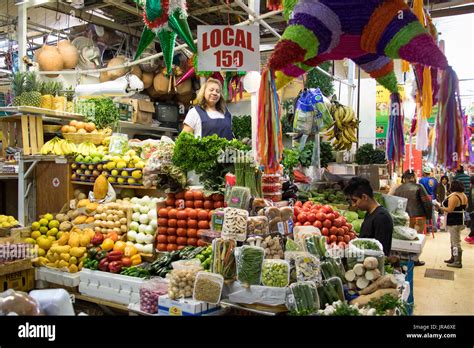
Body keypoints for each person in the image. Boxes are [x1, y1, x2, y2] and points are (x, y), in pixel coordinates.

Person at [343, 177, 393, 256]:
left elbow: (381, 252)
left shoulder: (382, 217)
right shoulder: (369, 213)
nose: (354, 205)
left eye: (355, 200)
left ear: (364, 197)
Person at [393, 170, 433, 266]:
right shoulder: (419, 187)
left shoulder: (398, 189)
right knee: (416, 238)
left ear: (404, 178)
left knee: (405, 238)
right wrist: (429, 216)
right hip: (418, 217)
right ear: (413, 177)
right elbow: (426, 202)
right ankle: (415, 260)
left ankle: (404, 259)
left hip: (403, 218)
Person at [437, 180, 467, 268]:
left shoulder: (454, 196)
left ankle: (457, 261)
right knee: (454, 240)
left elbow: (450, 209)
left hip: (454, 221)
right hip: (459, 219)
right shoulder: (464, 195)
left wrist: (440, 207)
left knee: (455, 242)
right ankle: (453, 258)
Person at [419, 167, 438, 232]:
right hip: (432, 198)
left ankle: (427, 228)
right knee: (432, 213)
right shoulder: (434, 180)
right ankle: (434, 227)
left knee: (425, 213)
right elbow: (435, 190)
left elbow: (420, 190)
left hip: (425, 198)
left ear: (424, 173)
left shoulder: (422, 180)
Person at [464, 176, 474, 244]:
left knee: (473, 223)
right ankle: (471, 237)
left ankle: (471, 237)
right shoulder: (472, 188)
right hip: (472, 209)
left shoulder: (472, 187)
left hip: (472, 209)